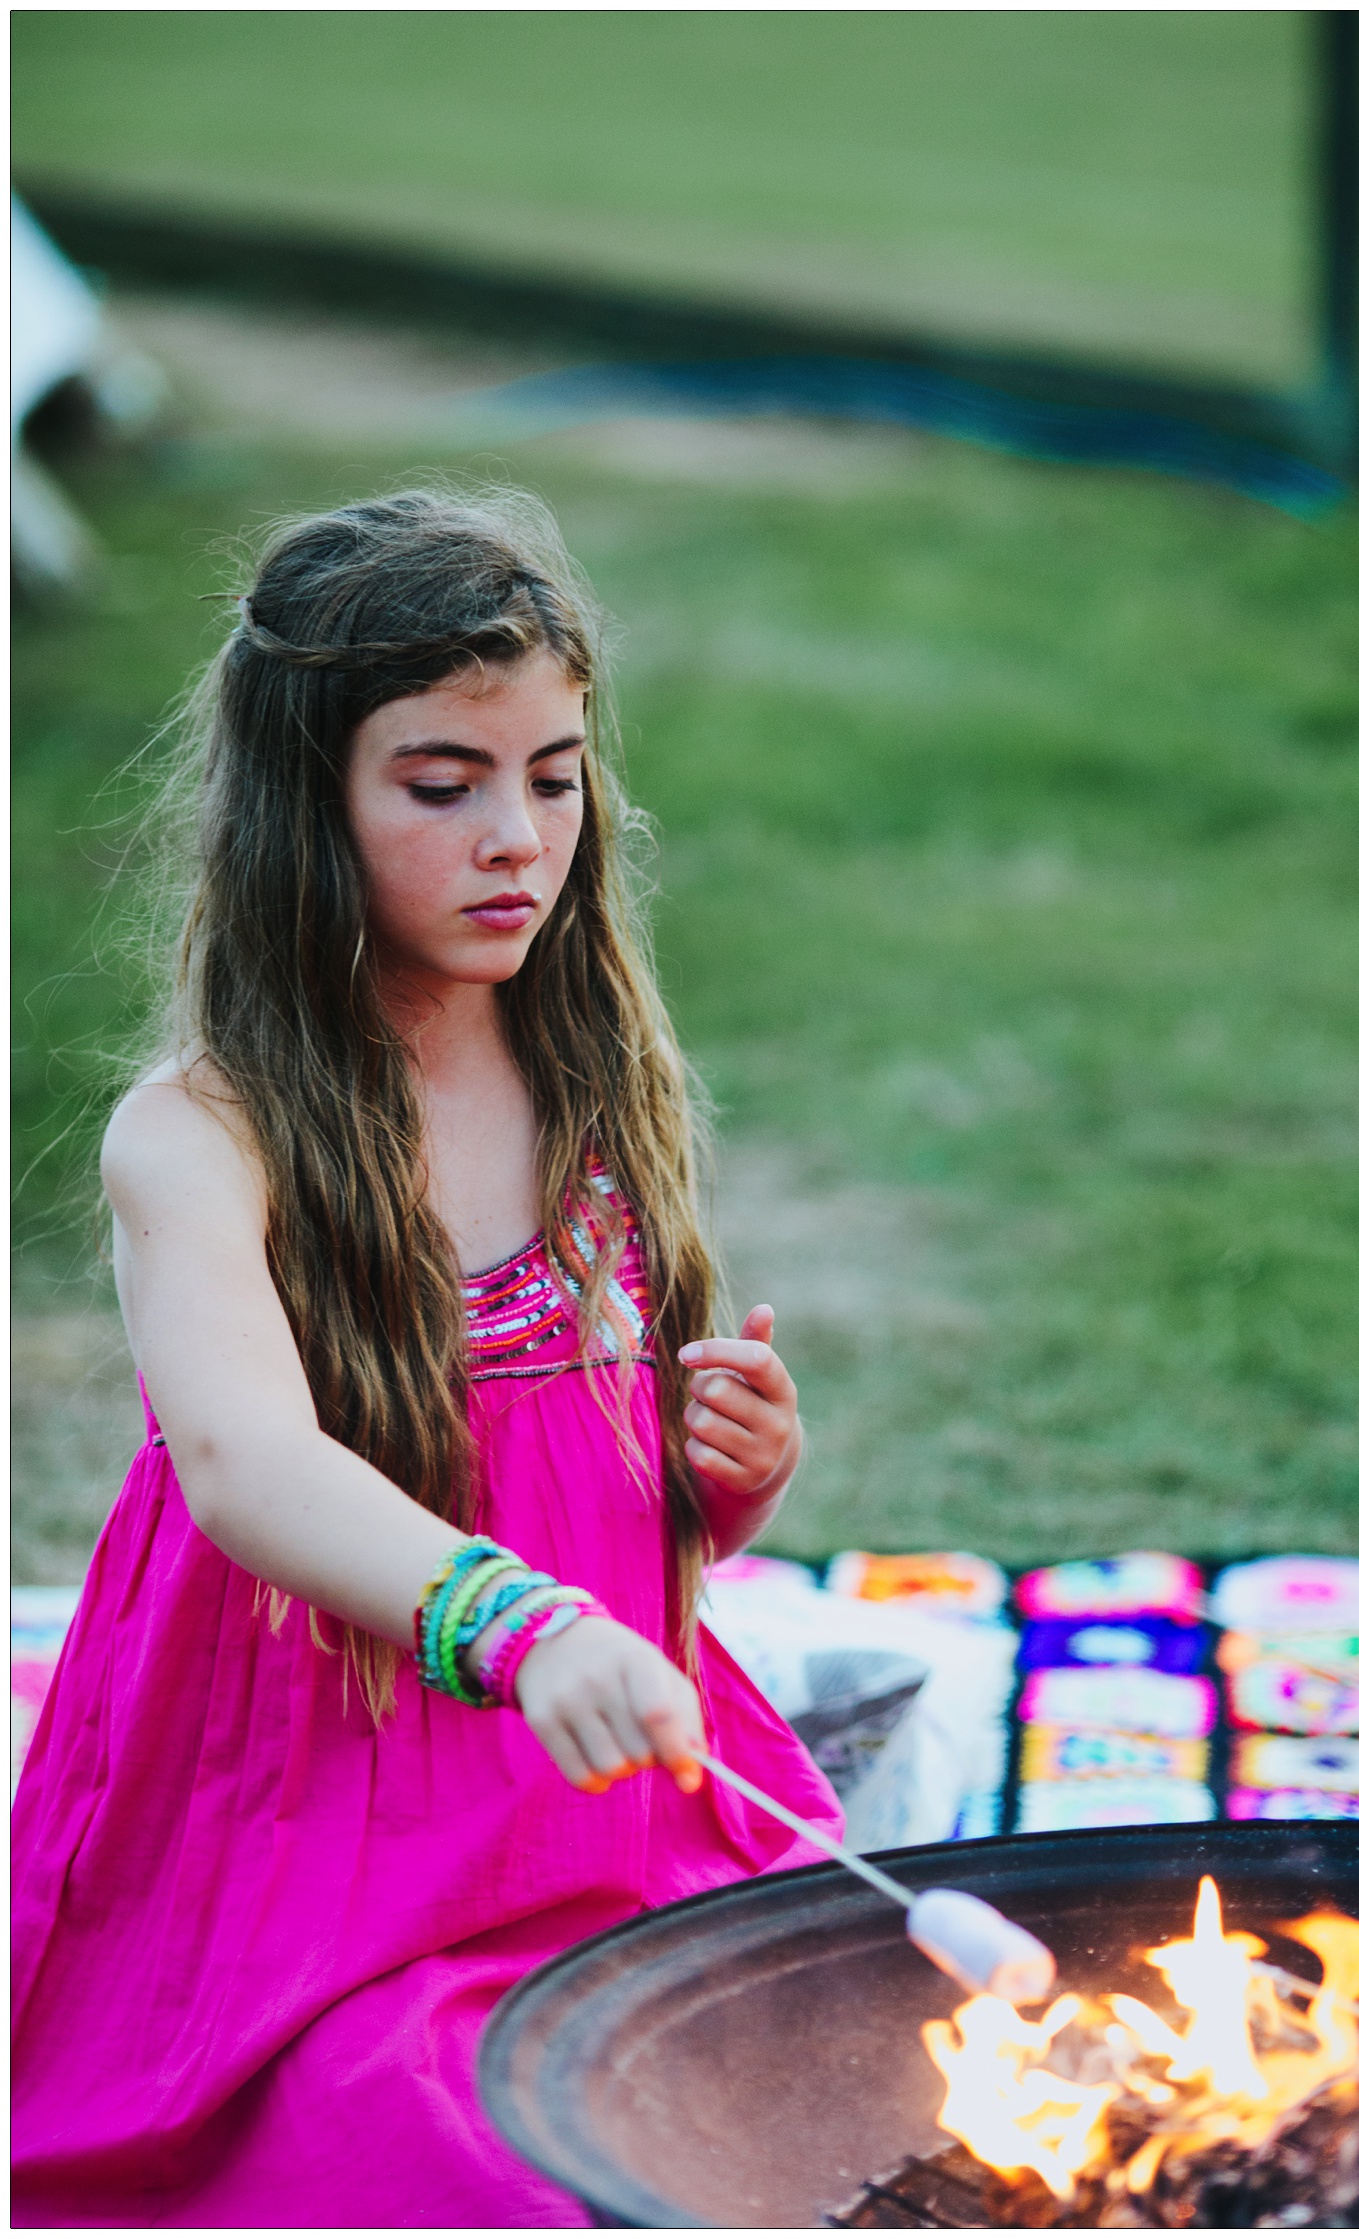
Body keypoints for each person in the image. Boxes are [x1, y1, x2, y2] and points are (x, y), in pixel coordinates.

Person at [12, 487, 842, 2228]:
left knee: (834, 2081)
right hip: (318, 1831)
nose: (516, 839)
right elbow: (246, 1465)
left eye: (554, 775)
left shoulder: (584, 1061)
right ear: (307, 808)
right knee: (485, 2171)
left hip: (589, 1809)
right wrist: (516, 1622)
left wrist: (725, 1485)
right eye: (442, 784)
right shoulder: (203, 1133)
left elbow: (583, 1471)